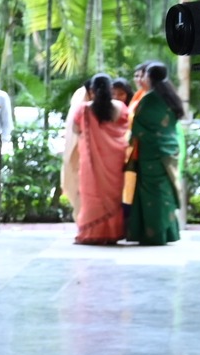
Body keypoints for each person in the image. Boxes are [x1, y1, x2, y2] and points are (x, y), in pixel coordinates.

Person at [60, 74, 129, 245]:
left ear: (92, 91)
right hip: (116, 161)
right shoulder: (120, 107)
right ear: (110, 89)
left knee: (92, 197)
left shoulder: (84, 110)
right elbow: (126, 126)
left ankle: (91, 233)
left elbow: (75, 130)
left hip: (91, 163)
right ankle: (113, 233)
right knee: (114, 197)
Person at [123, 61, 185, 245]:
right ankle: (168, 233)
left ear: (150, 77)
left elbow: (137, 126)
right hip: (169, 151)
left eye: (144, 75)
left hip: (150, 153)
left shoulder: (149, 99)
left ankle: (154, 235)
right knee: (164, 192)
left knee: (151, 194)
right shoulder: (170, 96)